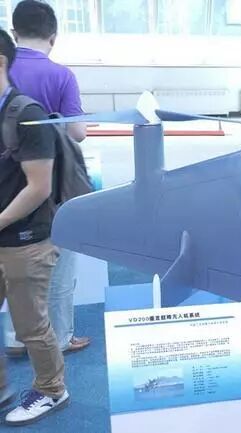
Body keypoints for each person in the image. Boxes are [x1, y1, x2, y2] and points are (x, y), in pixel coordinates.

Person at [4, 0, 89, 357]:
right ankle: (61, 335)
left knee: (10, 263)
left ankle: (16, 336)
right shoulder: (60, 75)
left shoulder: (6, 70)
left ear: (14, 33)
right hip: (48, 184)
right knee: (60, 260)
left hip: (6, 185)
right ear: (53, 36)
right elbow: (77, 132)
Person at [0, 27, 69, 426]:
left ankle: (51, 390)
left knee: (31, 327)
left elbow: (38, 187)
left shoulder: (27, 114)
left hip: (25, 239)